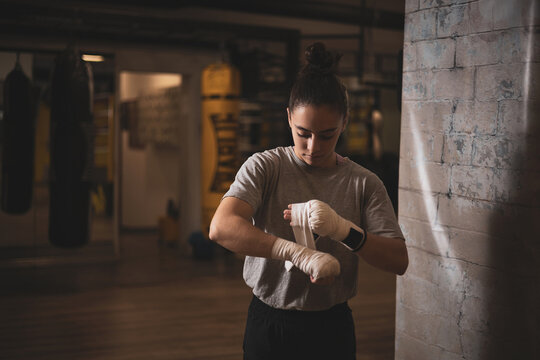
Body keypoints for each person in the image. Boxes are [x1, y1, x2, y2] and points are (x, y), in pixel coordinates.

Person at [209, 42, 408, 360]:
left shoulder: (363, 183)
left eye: (327, 134)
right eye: (303, 132)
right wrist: (296, 253)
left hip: (331, 325)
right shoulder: (265, 167)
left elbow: (398, 260)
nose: (313, 146)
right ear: (288, 118)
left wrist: (345, 231)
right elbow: (221, 227)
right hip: (270, 321)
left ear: (344, 122)